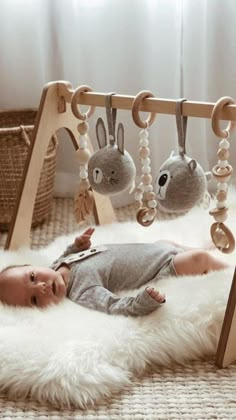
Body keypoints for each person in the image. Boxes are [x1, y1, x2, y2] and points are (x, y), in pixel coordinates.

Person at [0, 227, 230, 316]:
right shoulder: (83, 291)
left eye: (32, 277)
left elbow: (66, 256)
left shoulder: (55, 266)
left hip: (154, 250)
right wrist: (143, 302)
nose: (39, 287)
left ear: (32, 266)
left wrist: (77, 246)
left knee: (165, 241)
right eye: (33, 300)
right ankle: (230, 272)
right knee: (197, 260)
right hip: (161, 267)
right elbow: (114, 306)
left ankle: (208, 248)